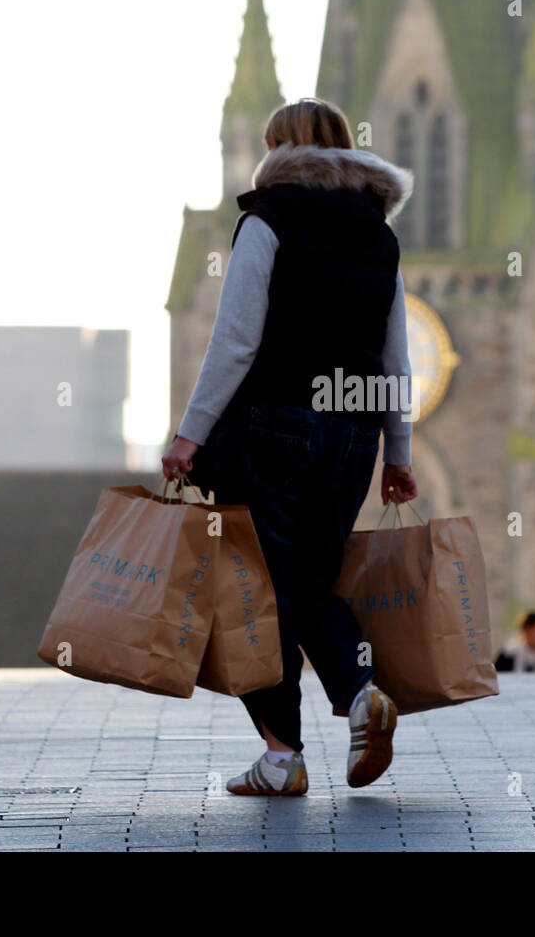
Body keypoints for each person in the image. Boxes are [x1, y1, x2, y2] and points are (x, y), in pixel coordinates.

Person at [160, 97, 417, 797]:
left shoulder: (268, 219)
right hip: (355, 433)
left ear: (282, 149)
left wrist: (190, 432)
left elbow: (236, 340)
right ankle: (363, 694)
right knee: (308, 581)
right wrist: (399, 452)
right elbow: (396, 357)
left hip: (277, 423)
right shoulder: (378, 236)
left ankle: (283, 755)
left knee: (257, 588)